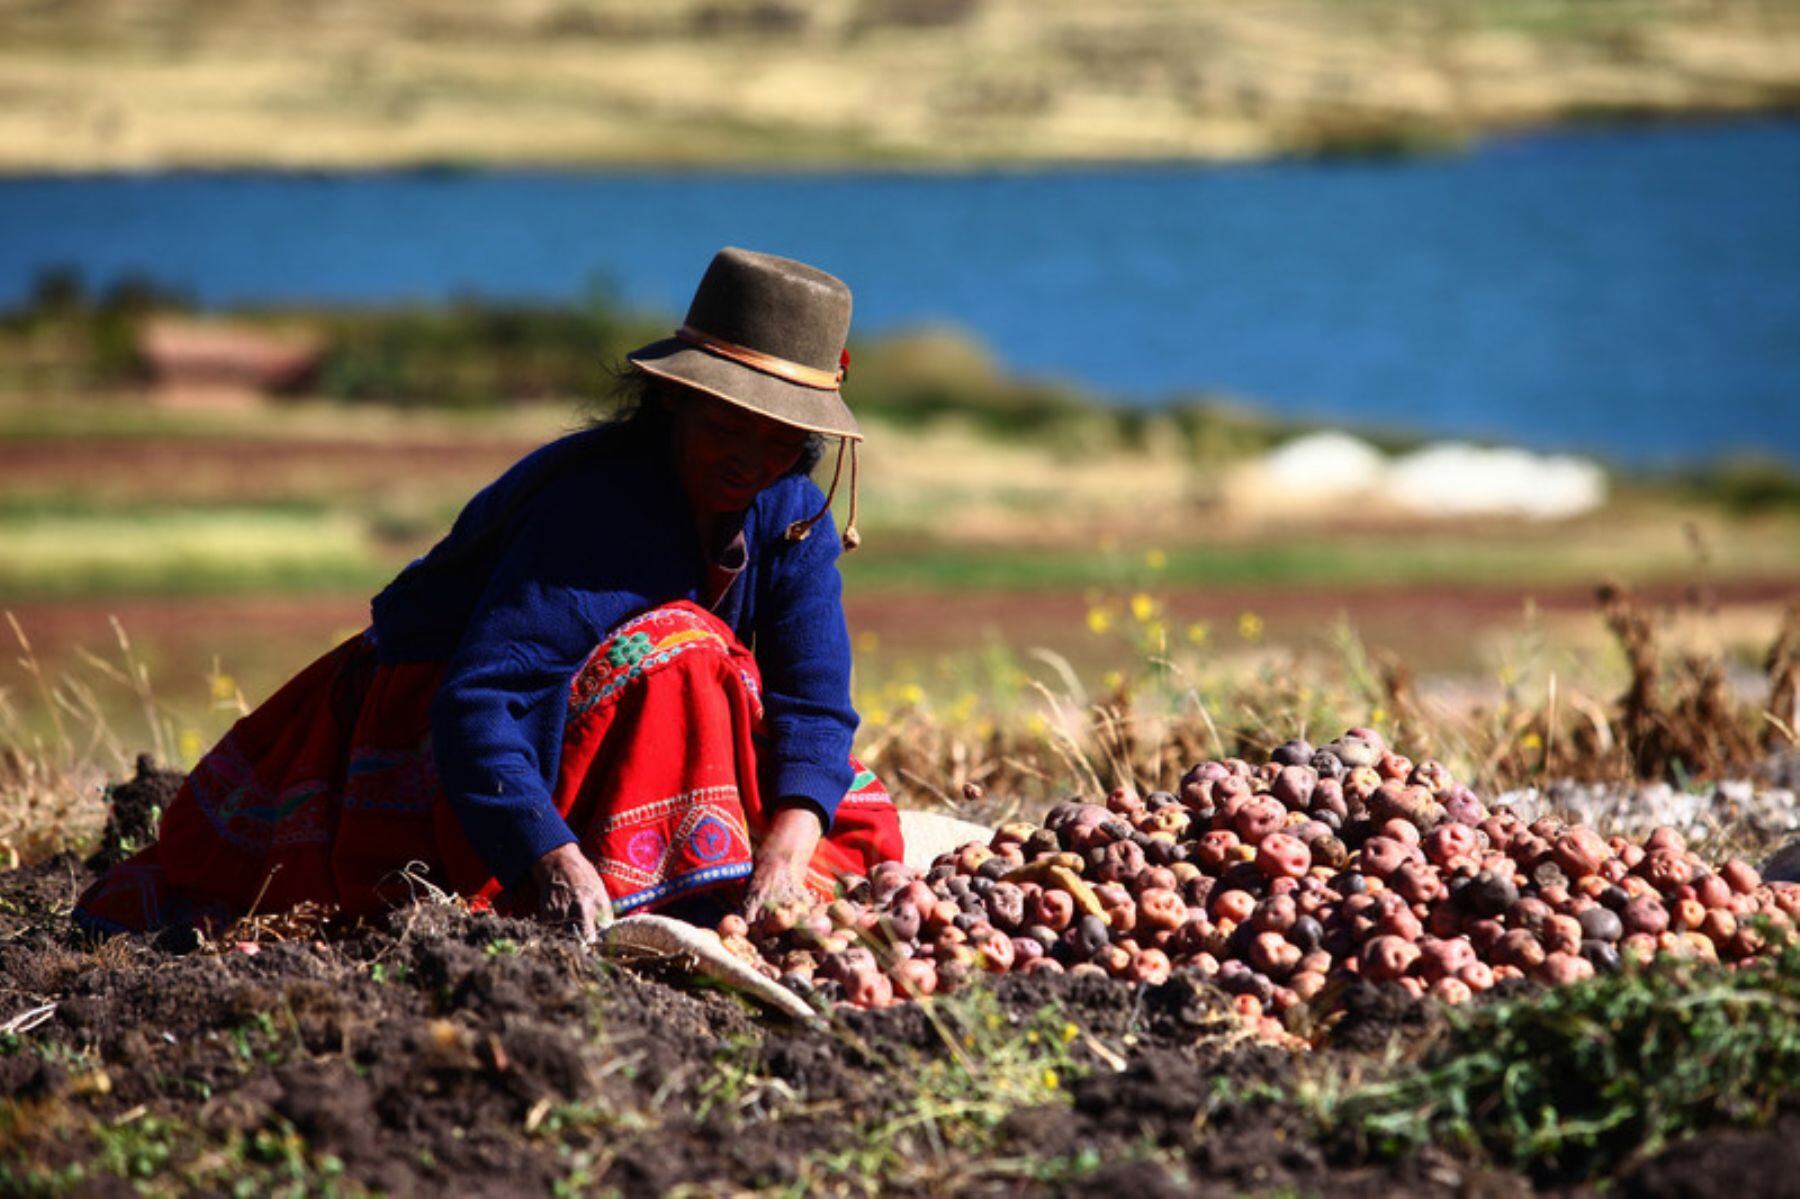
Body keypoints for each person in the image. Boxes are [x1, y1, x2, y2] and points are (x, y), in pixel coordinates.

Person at [75, 247, 904, 941]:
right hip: (445, 732)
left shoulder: (794, 515)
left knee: (836, 803)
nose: (749, 459)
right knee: (686, 654)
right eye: (725, 425)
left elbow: (812, 702)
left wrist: (787, 845)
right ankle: (661, 880)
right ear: (675, 401)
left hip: (592, 726)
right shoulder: (596, 509)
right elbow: (479, 702)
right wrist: (551, 857)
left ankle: (699, 870)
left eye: (779, 438)